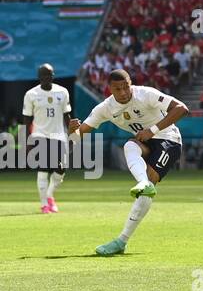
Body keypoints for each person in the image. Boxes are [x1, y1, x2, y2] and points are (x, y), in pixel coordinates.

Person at [67, 69, 190, 256]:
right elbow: (79, 134)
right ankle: (142, 185)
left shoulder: (145, 94)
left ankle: (121, 240)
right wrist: (71, 131)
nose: (124, 92)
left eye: (126, 87)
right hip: (145, 141)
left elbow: (182, 108)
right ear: (110, 89)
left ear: (130, 83)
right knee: (130, 148)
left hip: (169, 140)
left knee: (148, 184)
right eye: (118, 89)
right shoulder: (105, 108)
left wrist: (153, 130)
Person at [22, 64, 71, 213]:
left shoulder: (62, 92)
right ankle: (44, 204)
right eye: (42, 75)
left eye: (48, 74)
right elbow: (26, 120)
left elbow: (67, 116)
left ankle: (49, 195)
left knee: (60, 168)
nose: (45, 78)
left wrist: (73, 135)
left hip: (58, 135)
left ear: (53, 75)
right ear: (38, 77)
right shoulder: (31, 94)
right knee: (44, 168)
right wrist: (27, 141)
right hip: (40, 135)